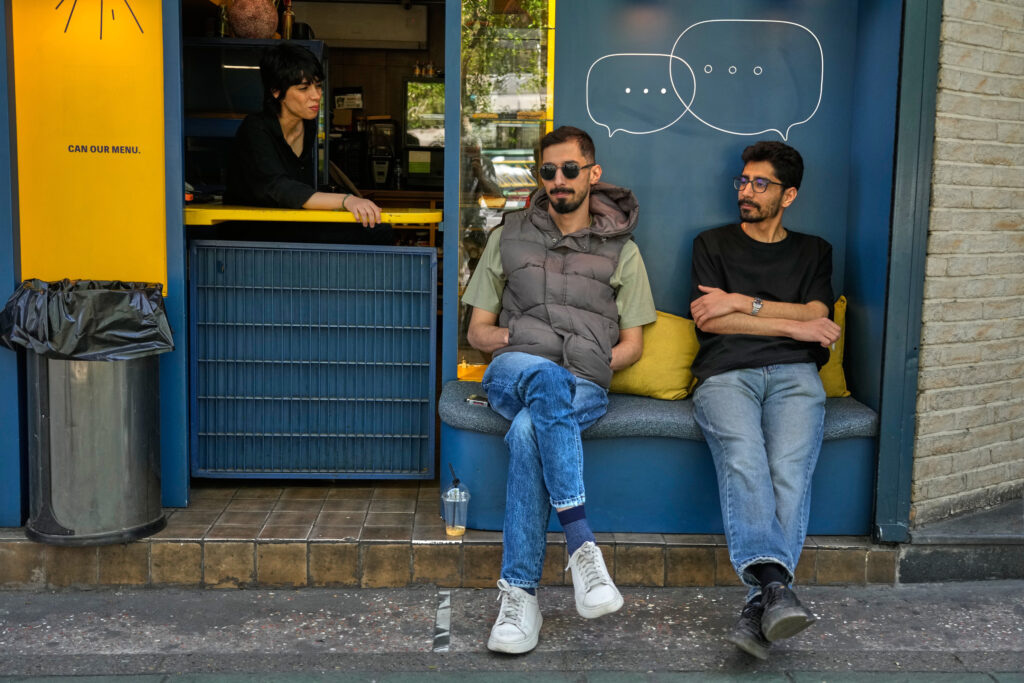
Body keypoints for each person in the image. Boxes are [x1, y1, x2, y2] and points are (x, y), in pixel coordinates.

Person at [462, 125, 657, 654]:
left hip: (582, 382)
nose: (558, 179)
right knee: (544, 377)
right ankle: (581, 546)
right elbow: (478, 332)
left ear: (593, 173)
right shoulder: (508, 236)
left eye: (570, 169)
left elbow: (633, 346)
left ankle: (520, 596)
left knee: (531, 429)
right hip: (515, 370)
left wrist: (588, 363)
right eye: (548, 171)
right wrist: (523, 341)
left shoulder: (623, 252)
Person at [689, 140, 841, 660]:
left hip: (796, 376)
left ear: (788, 195)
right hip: (726, 374)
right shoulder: (712, 244)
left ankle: (761, 603)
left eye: (760, 184)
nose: (746, 192)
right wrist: (791, 324)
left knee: (789, 470)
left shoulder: (814, 250)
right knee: (744, 456)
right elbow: (710, 320)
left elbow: (820, 314)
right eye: (743, 181)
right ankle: (775, 588)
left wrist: (740, 303)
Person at [225, 42, 384, 230]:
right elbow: (279, 187)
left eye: (318, 86)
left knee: (378, 230)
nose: (316, 96)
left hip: (291, 223)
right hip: (250, 230)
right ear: (276, 91)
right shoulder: (255, 128)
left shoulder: (308, 125)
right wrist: (346, 200)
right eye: (303, 88)